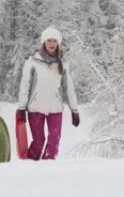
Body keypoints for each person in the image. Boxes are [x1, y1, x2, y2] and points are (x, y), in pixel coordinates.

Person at [16, 27, 80, 160]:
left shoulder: (63, 64)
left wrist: (74, 110)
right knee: (38, 142)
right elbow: (25, 86)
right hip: (35, 108)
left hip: (55, 108)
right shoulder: (32, 62)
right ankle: (30, 168)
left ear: (58, 43)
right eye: (49, 40)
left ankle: (49, 172)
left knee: (54, 142)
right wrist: (21, 108)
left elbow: (69, 88)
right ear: (43, 42)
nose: (51, 44)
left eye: (54, 41)